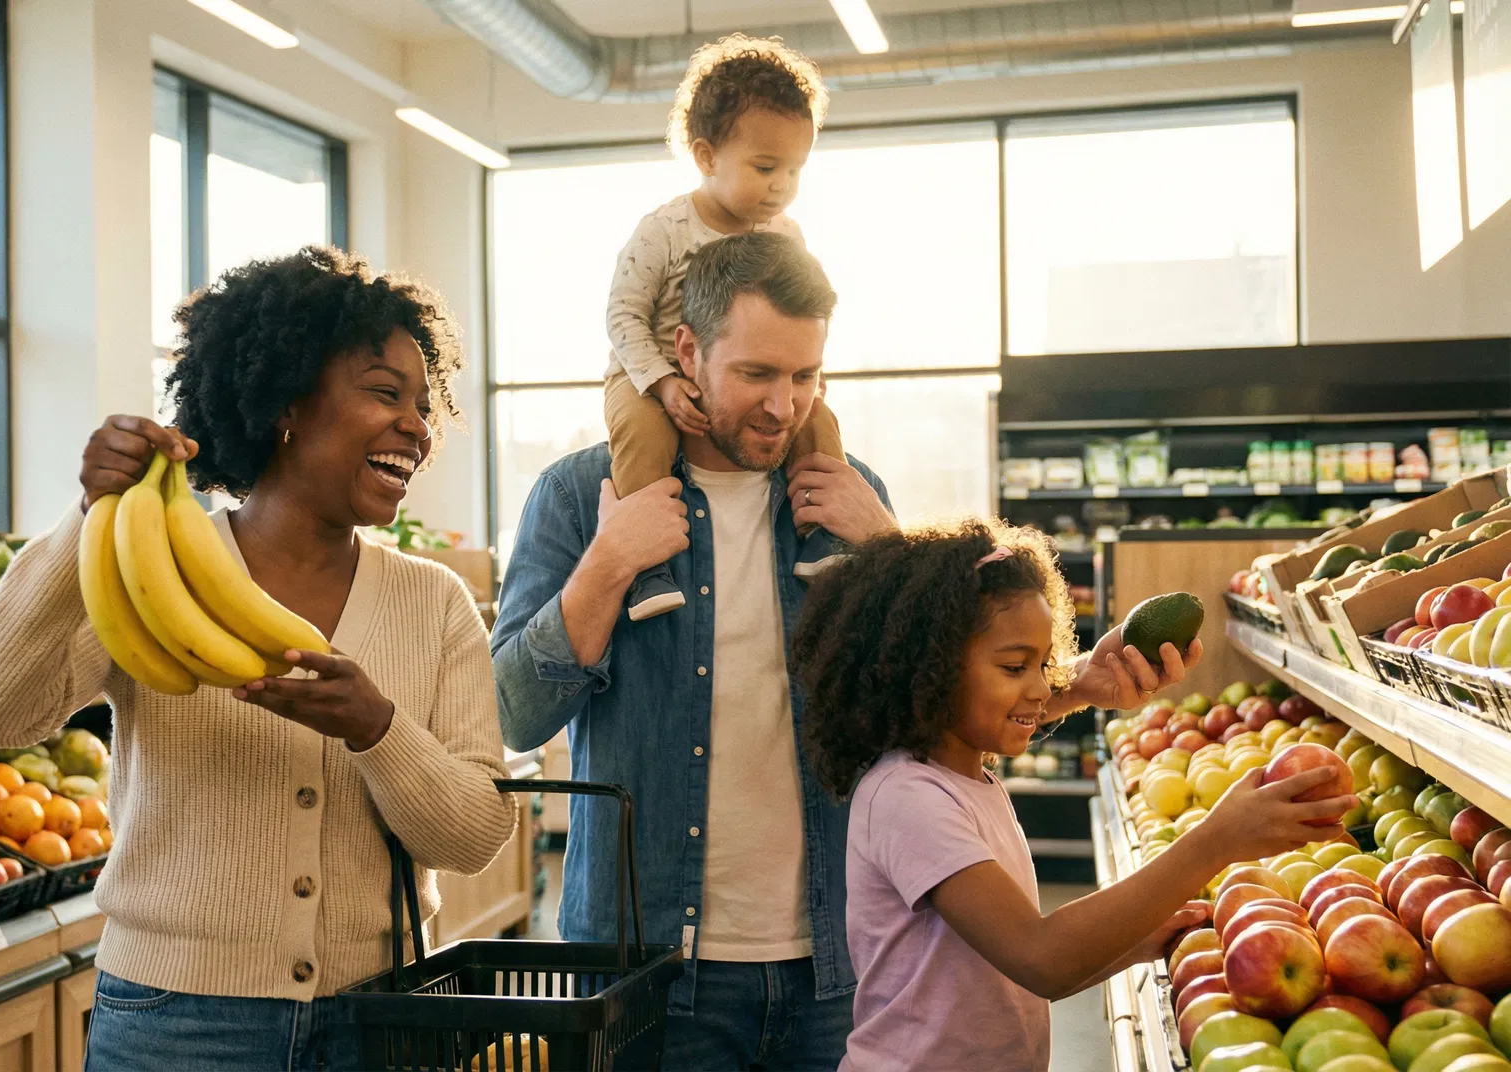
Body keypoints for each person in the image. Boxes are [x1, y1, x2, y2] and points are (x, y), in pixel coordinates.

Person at [0, 246, 517, 1071]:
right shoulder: (152, 575)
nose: (419, 427)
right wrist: (88, 518)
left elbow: (475, 833)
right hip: (176, 1024)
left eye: (425, 406)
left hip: (385, 1018)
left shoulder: (434, 604)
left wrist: (379, 730)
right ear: (287, 402)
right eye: (386, 394)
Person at [495, 230, 890, 1069]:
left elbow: (920, 712)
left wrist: (889, 548)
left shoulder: (851, 498)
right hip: (646, 973)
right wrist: (606, 565)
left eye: (805, 376)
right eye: (756, 374)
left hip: (836, 965)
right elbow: (514, 713)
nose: (784, 406)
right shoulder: (577, 496)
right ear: (686, 352)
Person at [793, 520, 1358, 1072]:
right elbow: (1042, 958)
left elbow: (1008, 975)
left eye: (1043, 662)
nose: (1042, 687)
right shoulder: (908, 798)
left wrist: (1132, 945)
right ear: (928, 667)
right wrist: (1216, 842)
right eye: (1016, 666)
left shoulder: (967, 778)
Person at [603, 33, 847, 621]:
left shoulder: (786, 236)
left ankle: (824, 536)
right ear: (707, 156)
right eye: (765, 167)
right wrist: (662, 382)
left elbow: (803, 320)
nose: (781, 185)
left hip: (720, 386)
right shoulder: (664, 230)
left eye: (794, 169)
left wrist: (802, 386)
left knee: (820, 422)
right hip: (649, 376)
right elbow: (623, 314)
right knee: (644, 438)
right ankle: (646, 566)